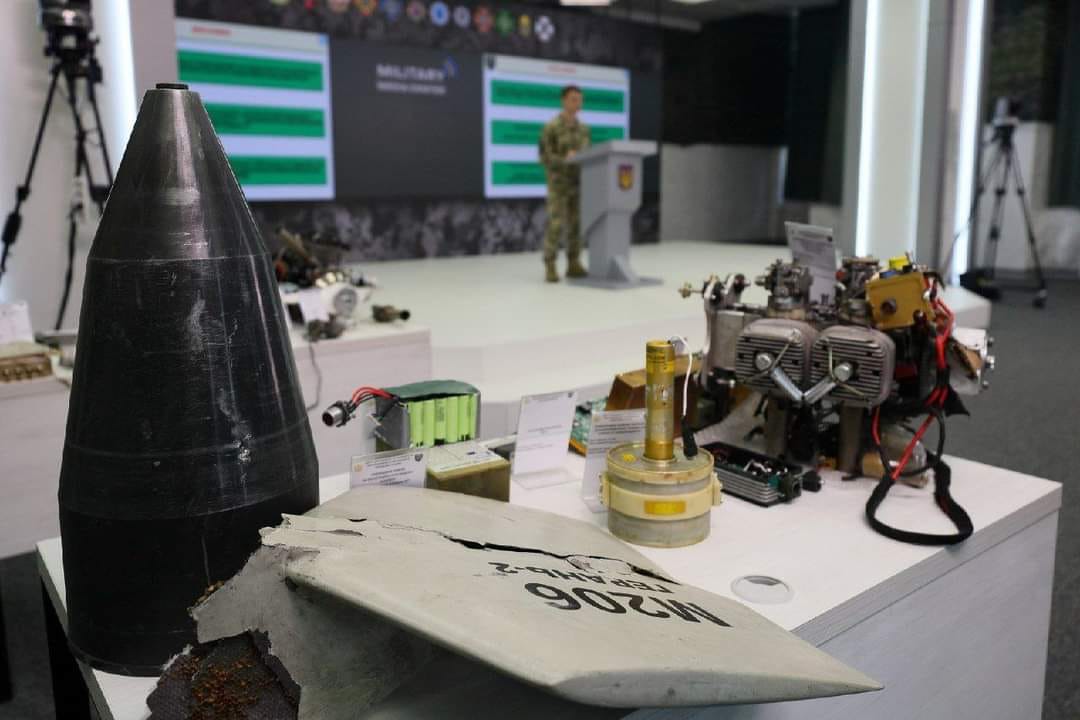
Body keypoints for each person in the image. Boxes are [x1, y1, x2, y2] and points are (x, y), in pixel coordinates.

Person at [538, 85, 591, 282]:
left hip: (577, 183)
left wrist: (583, 157)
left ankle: (573, 262)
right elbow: (544, 157)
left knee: (575, 225)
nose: (578, 103)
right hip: (558, 184)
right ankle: (550, 264)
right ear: (564, 101)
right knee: (556, 224)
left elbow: (589, 152)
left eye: (580, 99)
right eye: (574, 99)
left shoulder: (584, 129)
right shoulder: (551, 127)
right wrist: (565, 159)